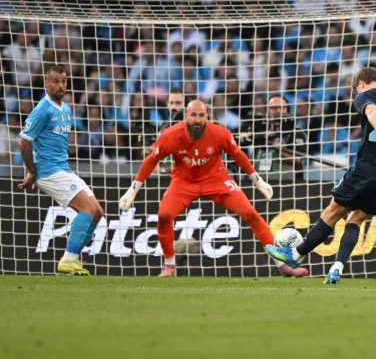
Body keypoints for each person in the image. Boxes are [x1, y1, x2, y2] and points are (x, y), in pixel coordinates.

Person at [265, 67, 376, 284]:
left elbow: (372, 112)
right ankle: (337, 268)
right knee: (356, 218)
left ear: (360, 82)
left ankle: (295, 255)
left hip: (367, 169)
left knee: (332, 212)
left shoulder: (364, 96)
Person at [118, 99, 308, 277]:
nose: (197, 120)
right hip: (183, 183)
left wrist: (258, 181)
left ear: (207, 117)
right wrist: (132, 191)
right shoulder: (170, 136)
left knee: (251, 214)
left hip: (216, 180)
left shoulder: (219, 133)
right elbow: (151, 161)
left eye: (201, 116)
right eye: (193, 115)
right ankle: (169, 265)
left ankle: (282, 266)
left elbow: (238, 155)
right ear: (186, 116)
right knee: (164, 216)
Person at [18, 65, 104, 275]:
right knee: (87, 209)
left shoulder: (65, 109)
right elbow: (24, 142)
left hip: (62, 167)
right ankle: (68, 259)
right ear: (46, 83)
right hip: (47, 170)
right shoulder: (42, 110)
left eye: (63, 81)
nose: (60, 86)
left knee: (97, 212)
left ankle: (72, 258)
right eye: (55, 81)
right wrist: (32, 171)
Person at [241, 95, 307, 182]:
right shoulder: (258, 129)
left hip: (286, 183)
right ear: (266, 111)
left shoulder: (296, 132)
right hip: (259, 182)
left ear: (287, 110)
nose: (278, 111)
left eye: (282, 108)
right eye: (274, 108)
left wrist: (279, 148)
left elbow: (299, 159)